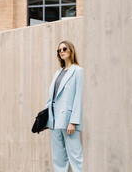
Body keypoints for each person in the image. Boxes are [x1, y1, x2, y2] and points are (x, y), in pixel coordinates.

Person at [45, 40, 83, 172]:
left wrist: (73, 121)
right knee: (58, 158)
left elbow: (79, 98)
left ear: (71, 50)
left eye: (64, 48)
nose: (61, 51)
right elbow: (52, 97)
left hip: (68, 120)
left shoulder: (78, 71)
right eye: (59, 50)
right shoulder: (58, 73)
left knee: (76, 156)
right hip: (54, 119)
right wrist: (46, 117)